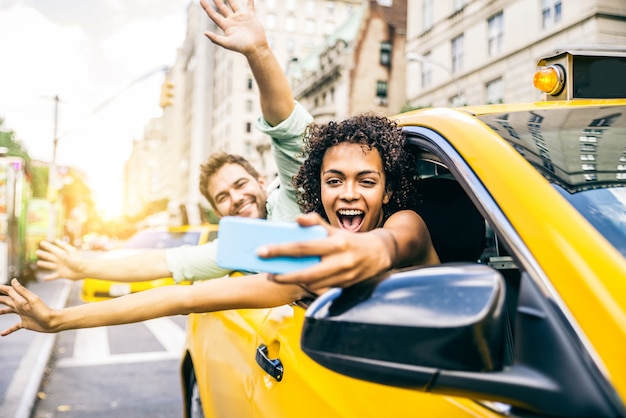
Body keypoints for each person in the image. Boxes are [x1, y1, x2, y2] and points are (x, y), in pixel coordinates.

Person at [0, 1, 440, 335]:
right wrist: (59, 318)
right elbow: (182, 297)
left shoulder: (407, 224)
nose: (346, 192)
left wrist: (260, 52)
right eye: (333, 180)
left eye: (366, 181)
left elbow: (387, 243)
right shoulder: (303, 265)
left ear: (387, 190)